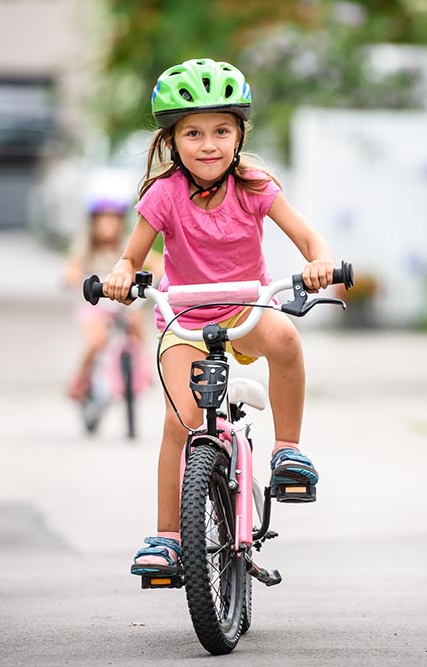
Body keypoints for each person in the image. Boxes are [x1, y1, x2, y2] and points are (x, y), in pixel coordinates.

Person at [100, 57, 337, 576]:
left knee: (288, 340)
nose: (209, 145)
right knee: (180, 420)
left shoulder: (253, 185)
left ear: (240, 133)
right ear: (171, 142)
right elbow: (130, 257)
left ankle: (288, 452)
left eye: (222, 131)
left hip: (248, 311)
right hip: (184, 321)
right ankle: (166, 537)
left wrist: (318, 261)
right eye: (194, 133)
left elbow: (308, 238)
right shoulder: (163, 195)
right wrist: (121, 274)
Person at [64, 196, 146, 402]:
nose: (108, 225)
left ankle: (141, 368)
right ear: (94, 222)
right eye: (103, 219)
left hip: (121, 305)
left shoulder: (127, 245)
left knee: (136, 325)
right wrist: (72, 275)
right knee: (98, 340)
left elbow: (152, 261)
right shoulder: (86, 243)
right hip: (95, 305)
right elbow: (73, 265)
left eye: (113, 219)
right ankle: (81, 377)